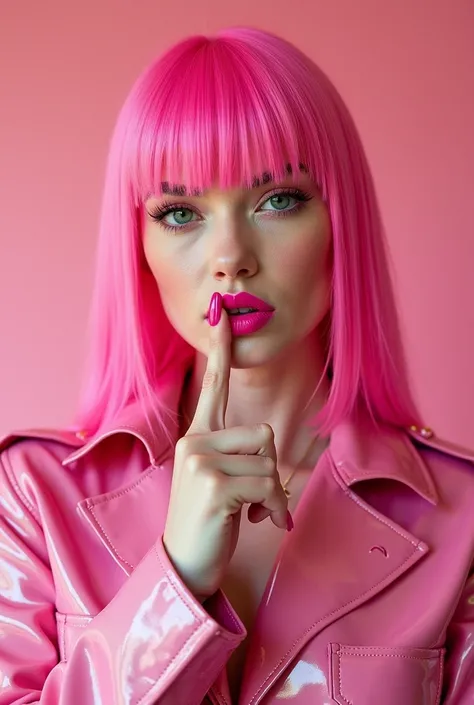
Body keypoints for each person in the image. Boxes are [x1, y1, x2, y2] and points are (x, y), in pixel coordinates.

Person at [0, 25, 473, 705]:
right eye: (181, 211)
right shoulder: (32, 496)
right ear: (138, 245)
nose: (230, 255)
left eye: (278, 199)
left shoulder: (461, 520)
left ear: (341, 219)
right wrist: (177, 580)